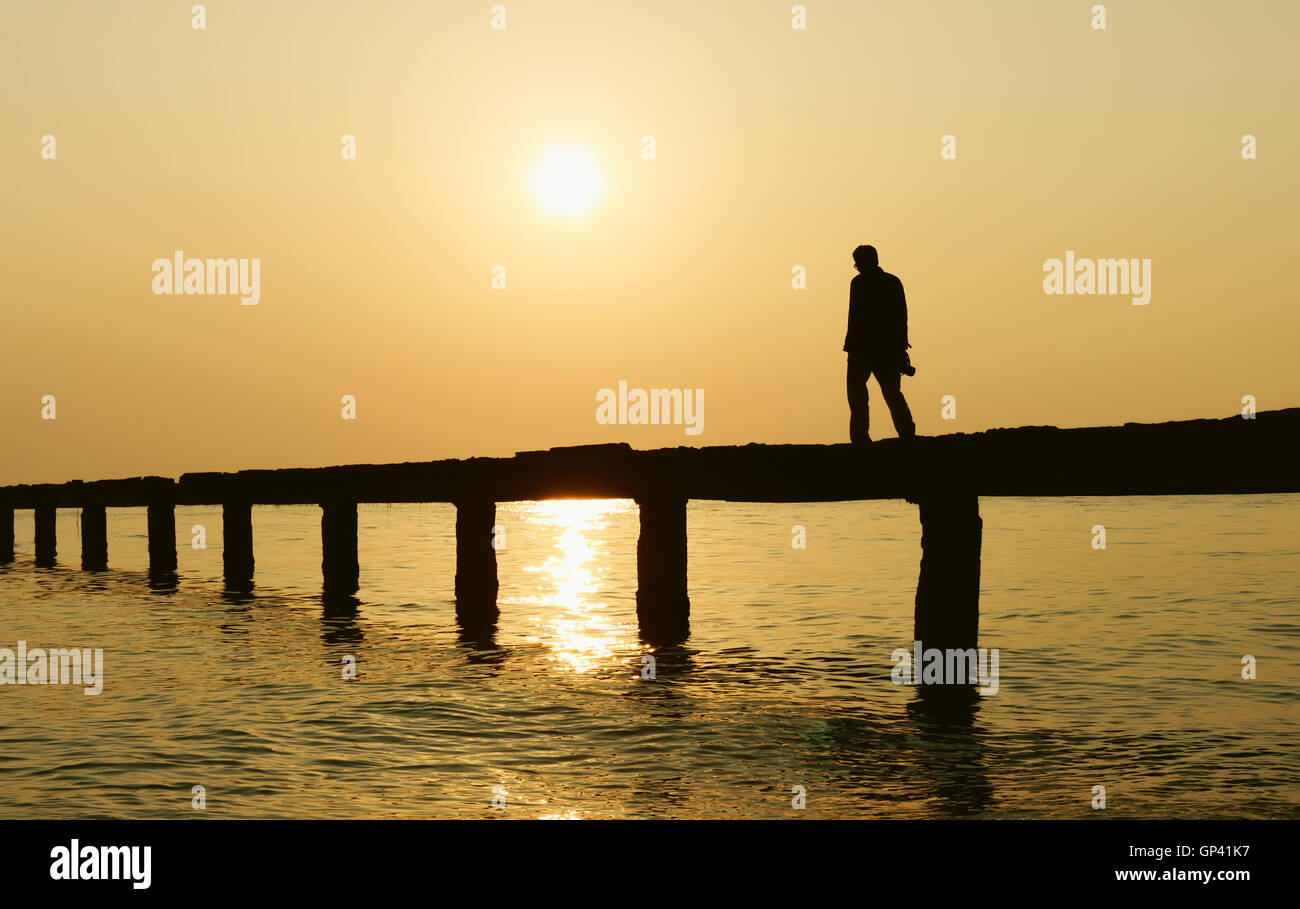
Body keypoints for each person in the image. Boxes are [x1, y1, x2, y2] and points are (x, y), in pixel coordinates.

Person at [843, 245, 916, 443]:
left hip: (862, 349)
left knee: (858, 394)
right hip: (887, 348)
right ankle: (907, 434)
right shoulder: (892, 282)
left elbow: (855, 318)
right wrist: (901, 348)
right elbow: (902, 318)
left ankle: (860, 438)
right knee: (892, 393)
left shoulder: (858, 284)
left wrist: (850, 347)